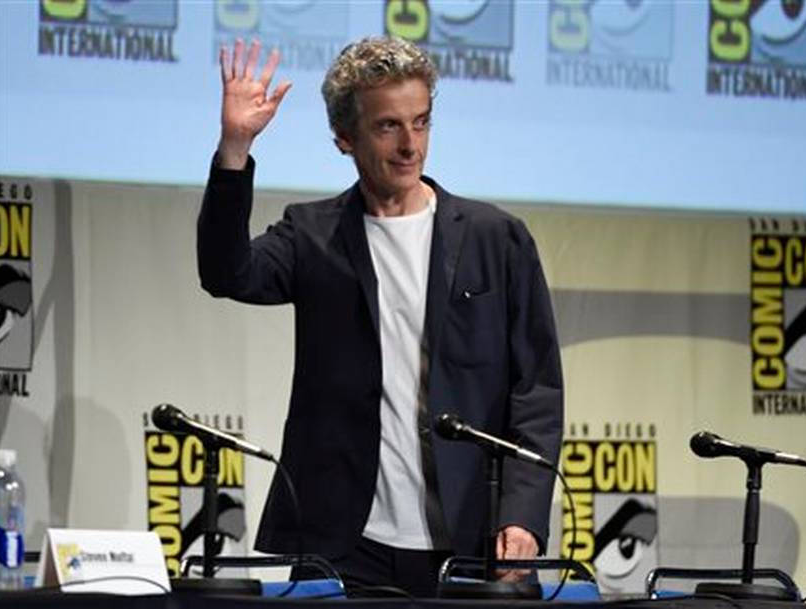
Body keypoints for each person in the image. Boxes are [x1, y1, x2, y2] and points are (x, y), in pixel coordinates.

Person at [197, 36, 563, 597]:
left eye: (421, 123)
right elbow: (227, 273)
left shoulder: (496, 238)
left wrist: (522, 515)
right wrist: (234, 148)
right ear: (345, 138)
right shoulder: (313, 235)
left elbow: (536, 391)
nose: (410, 145)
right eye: (388, 126)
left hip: (476, 543)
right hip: (348, 546)